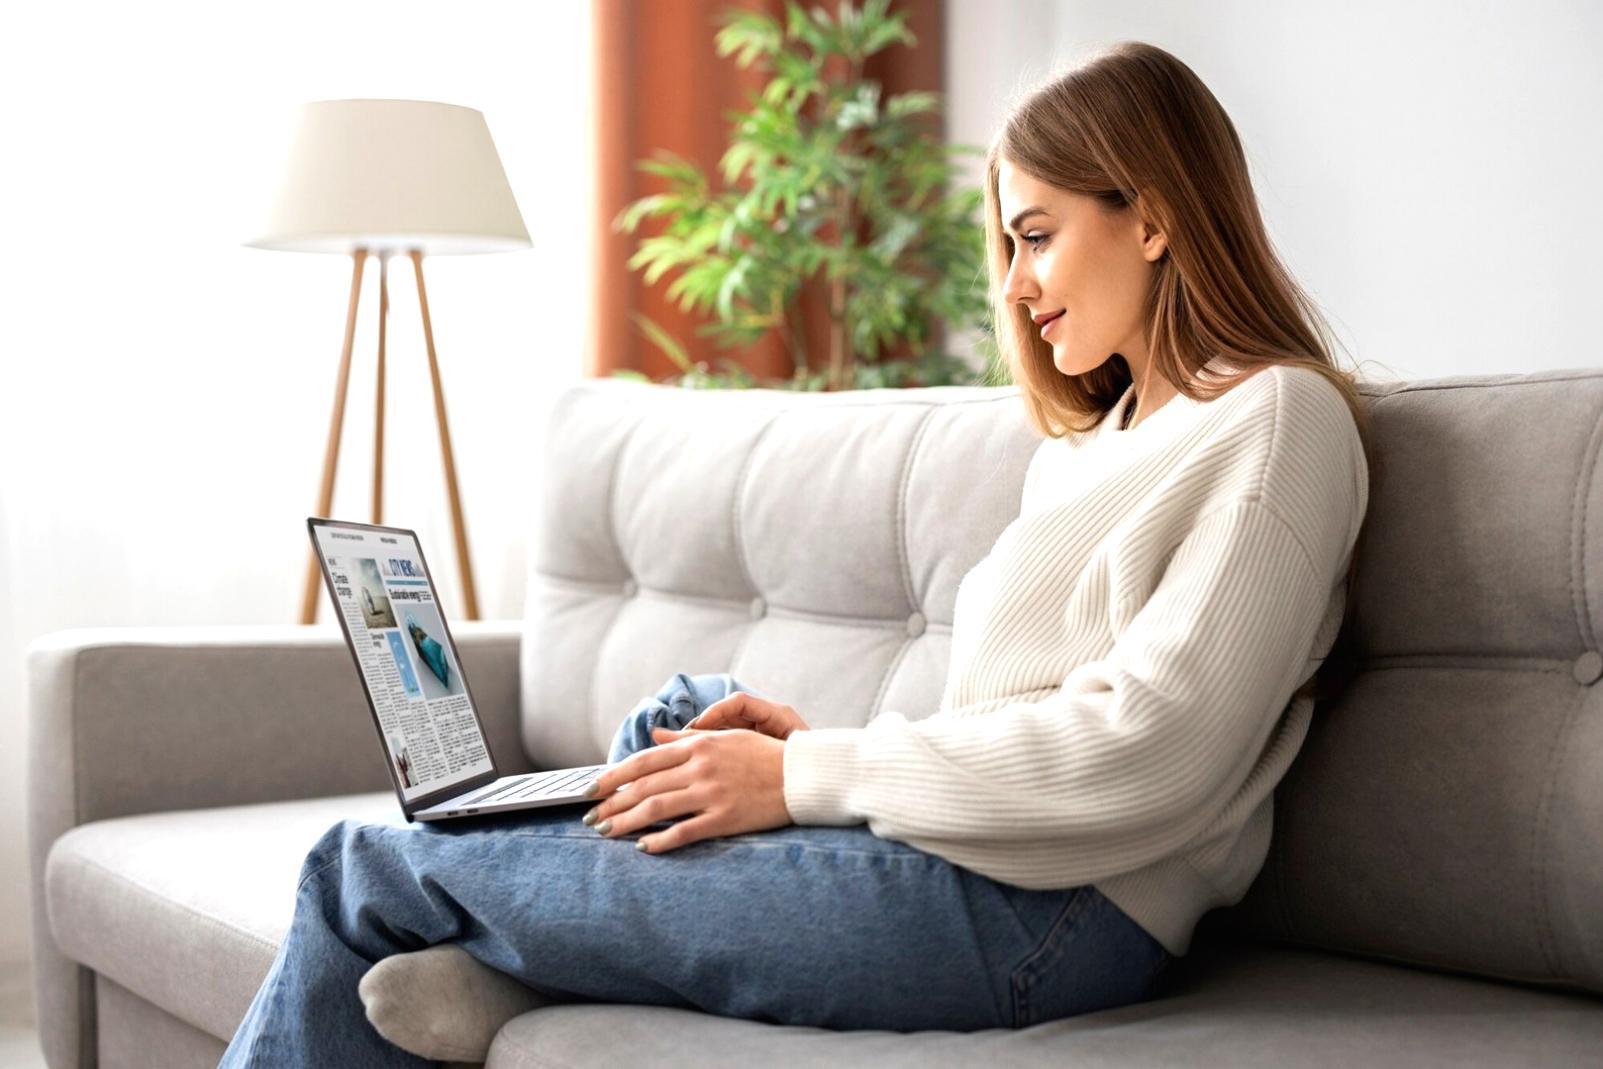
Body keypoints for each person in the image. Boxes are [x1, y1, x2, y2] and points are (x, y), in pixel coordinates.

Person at [219, 40, 1373, 1067]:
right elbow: (1003, 716)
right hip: (975, 860)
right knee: (689, 713)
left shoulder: (1272, 422)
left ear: (1156, 217)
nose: (1015, 287)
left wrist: (806, 780)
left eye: (1037, 236)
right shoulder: (1100, 436)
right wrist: (821, 748)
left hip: (1052, 915)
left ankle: (519, 937)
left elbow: (1145, 751)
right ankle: (534, 949)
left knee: (359, 867)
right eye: (1009, 244)